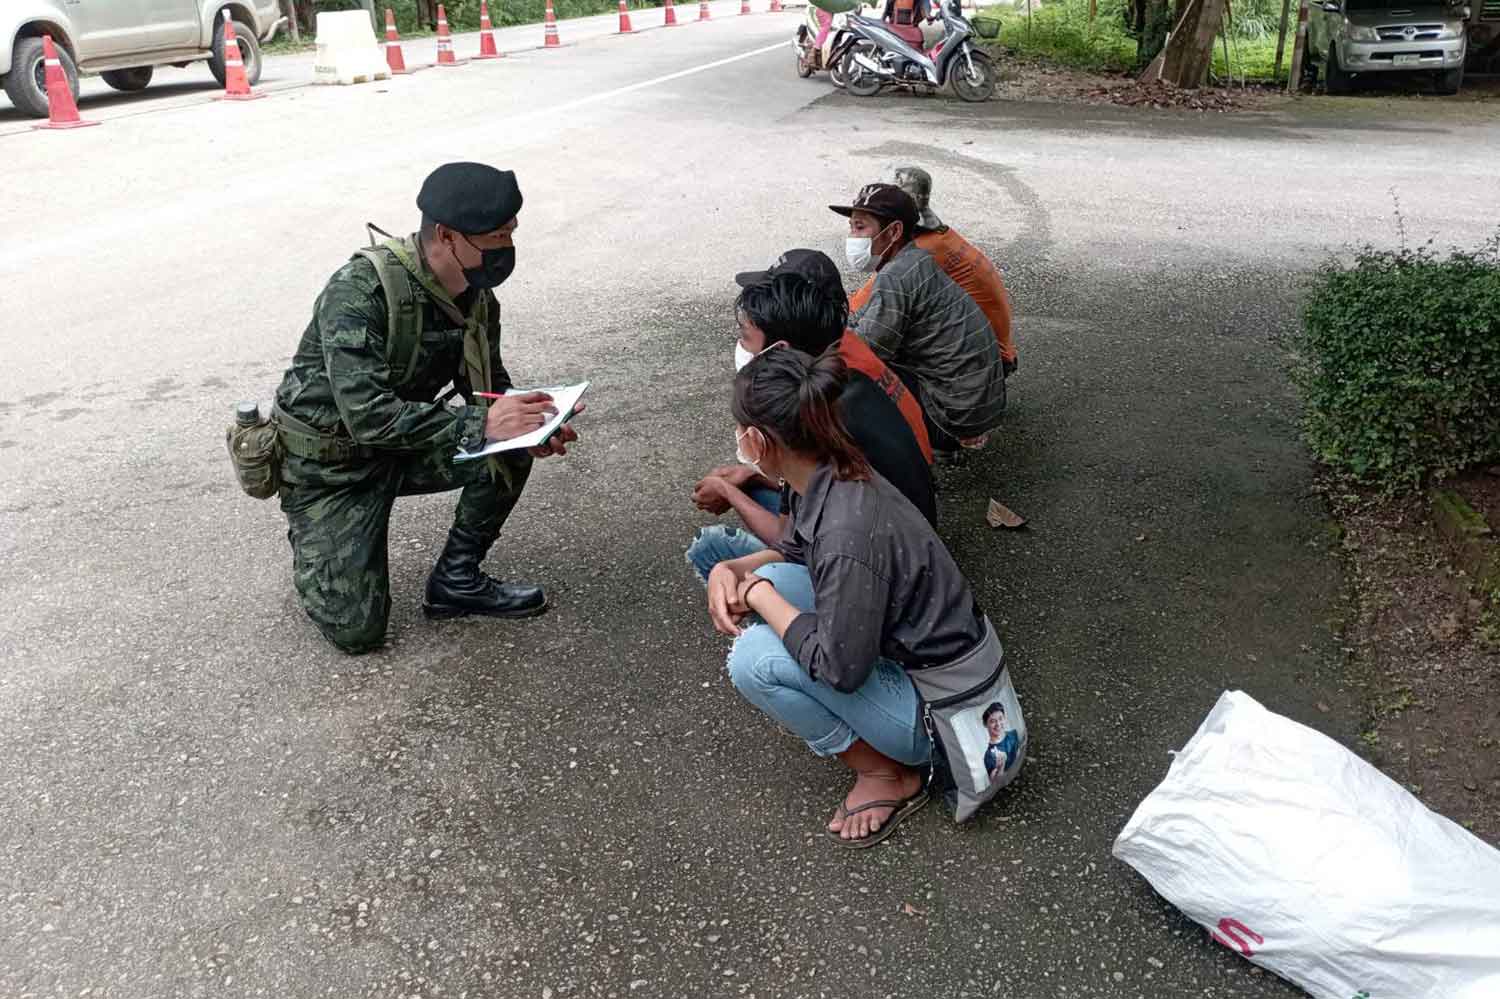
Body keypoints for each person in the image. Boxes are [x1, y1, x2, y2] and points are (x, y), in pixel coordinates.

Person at [272, 162, 580, 654]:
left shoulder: (476, 297)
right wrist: (486, 421)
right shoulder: (359, 292)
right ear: (447, 236)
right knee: (358, 630)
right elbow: (368, 416)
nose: (506, 247)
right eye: (495, 236)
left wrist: (533, 423)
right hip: (332, 465)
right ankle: (318, 538)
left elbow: (488, 390)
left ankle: (456, 579)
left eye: (511, 233)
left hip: (403, 444)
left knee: (506, 441)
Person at [707, 348, 997, 848]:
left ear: (757, 440)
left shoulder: (846, 531)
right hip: (932, 662)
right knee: (741, 573)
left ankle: (889, 775)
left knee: (753, 659)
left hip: (943, 714)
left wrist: (756, 591)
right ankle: (742, 582)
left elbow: (839, 668)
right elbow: (796, 547)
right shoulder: (828, 468)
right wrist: (730, 567)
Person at [687, 257, 935, 582]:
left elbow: (789, 541)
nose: (739, 345)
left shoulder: (821, 420)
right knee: (751, 492)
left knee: (712, 549)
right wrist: (749, 479)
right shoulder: (837, 380)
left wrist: (727, 490)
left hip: (892, 568)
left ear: (780, 349)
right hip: (908, 533)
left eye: (745, 336)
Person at [834, 183, 1007, 460]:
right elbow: (868, 319)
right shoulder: (916, 259)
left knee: (849, 377)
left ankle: (918, 449)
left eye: (860, 228)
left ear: (893, 232)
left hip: (953, 418)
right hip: (977, 404)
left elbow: (864, 350)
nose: (852, 237)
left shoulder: (897, 277)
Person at [890, 166, 1018, 376]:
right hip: (992, 353)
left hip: (982, 361)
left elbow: (866, 304)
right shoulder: (940, 237)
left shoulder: (923, 251)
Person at [982, 702, 1019, 782]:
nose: (998, 724)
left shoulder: (1014, 734)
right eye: (992, 721)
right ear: (985, 724)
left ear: (1004, 718)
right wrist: (1001, 767)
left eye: (1000, 718)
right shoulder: (989, 756)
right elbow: (996, 783)